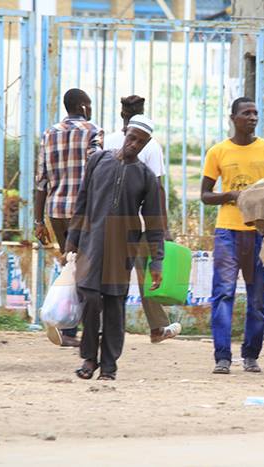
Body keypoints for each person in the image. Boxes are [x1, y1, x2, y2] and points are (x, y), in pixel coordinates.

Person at [66, 115, 165, 380]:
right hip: (91, 243)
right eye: (132, 138)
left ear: (147, 144)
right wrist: (71, 241)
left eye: (140, 142)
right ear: (125, 133)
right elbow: (82, 202)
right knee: (89, 300)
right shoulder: (98, 160)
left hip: (123, 249)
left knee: (113, 305)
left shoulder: (146, 177)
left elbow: (155, 223)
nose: (134, 145)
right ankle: (89, 358)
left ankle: (108, 366)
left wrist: (156, 262)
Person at [201, 97, 264, 374]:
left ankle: (251, 355)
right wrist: (231, 195)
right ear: (233, 118)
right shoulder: (218, 152)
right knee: (223, 294)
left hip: (259, 235)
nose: (252, 117)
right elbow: (205, 195)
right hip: (228, 233)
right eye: (246, 113)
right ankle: (222, 356)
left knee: (257, 298)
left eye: (255, 113)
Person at [103, 95, 181, 344]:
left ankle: (106, 328)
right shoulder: (150, 144)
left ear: (121, 113)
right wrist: (163, 227)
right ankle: (158, 328)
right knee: (148, 275)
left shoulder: (108, 140)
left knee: (112, 277)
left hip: (112, 222)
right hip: (142, 224)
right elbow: (157, 189)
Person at [34, 88, 103, 348]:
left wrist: (39, 221)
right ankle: (84, 330)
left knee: (70, 266)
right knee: (87, 270)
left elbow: (41, 180)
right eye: (90, 105)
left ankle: (69, 326)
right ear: (83, 106)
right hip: (84, 212)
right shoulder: (93, 130)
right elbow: (97, 169)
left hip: (57, 211)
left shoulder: (49, 133)